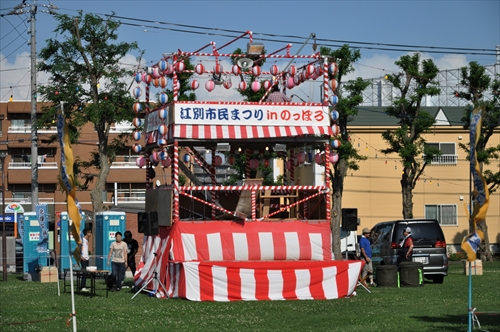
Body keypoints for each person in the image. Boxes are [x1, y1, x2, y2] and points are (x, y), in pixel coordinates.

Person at [80, 228, 92, 292]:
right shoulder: (82, 240)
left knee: (86, 273)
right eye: (90, 232)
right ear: (87, 233)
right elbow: (79, 248)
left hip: (87, 258)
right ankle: (83, 286)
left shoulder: (87, 240)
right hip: (83, 258)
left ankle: (83, 285)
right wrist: (81, 256)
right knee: (84, 272)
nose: (90, 234)